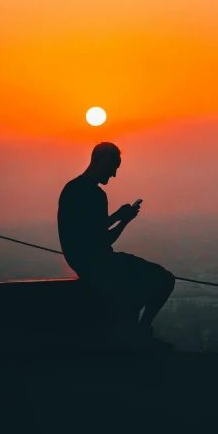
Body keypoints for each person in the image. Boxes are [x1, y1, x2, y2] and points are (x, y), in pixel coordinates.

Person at [57, 142, 175, 350]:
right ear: (103, 161)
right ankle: (141, 332)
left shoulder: (72, 188)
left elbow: (89, 229)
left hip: (80, 260)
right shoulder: (95, 195)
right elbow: (102, 239)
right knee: (165, 279)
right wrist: (125, 221)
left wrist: (118, 216)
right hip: (98, 263)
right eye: (114, 167)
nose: (114, 174)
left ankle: (133, 334)